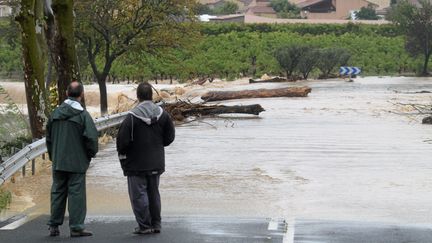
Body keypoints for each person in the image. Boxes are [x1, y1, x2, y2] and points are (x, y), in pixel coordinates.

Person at [116, 82, 175, 234]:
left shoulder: (131, 117)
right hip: (156, 162)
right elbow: (170, 137)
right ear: (151, 96)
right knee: (154, 193)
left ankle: (144, 226)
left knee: (139, 195)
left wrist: (124, 159)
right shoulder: (163, 115)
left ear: (138, 96)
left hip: (136, 165)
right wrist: (157, 146)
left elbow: (122, 142)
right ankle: (156, 224)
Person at [46, 81, 98, 237]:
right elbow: (91, 139)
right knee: (76, 194)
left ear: (67, 93)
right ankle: (76, 227)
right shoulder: (83, 115)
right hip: (77, 162)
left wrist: (53, 156)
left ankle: (54, 225)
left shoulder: (54, 114)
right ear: (81, 95)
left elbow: (48, 139)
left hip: (58, 160)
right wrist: (90, 155)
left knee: (57, 192)